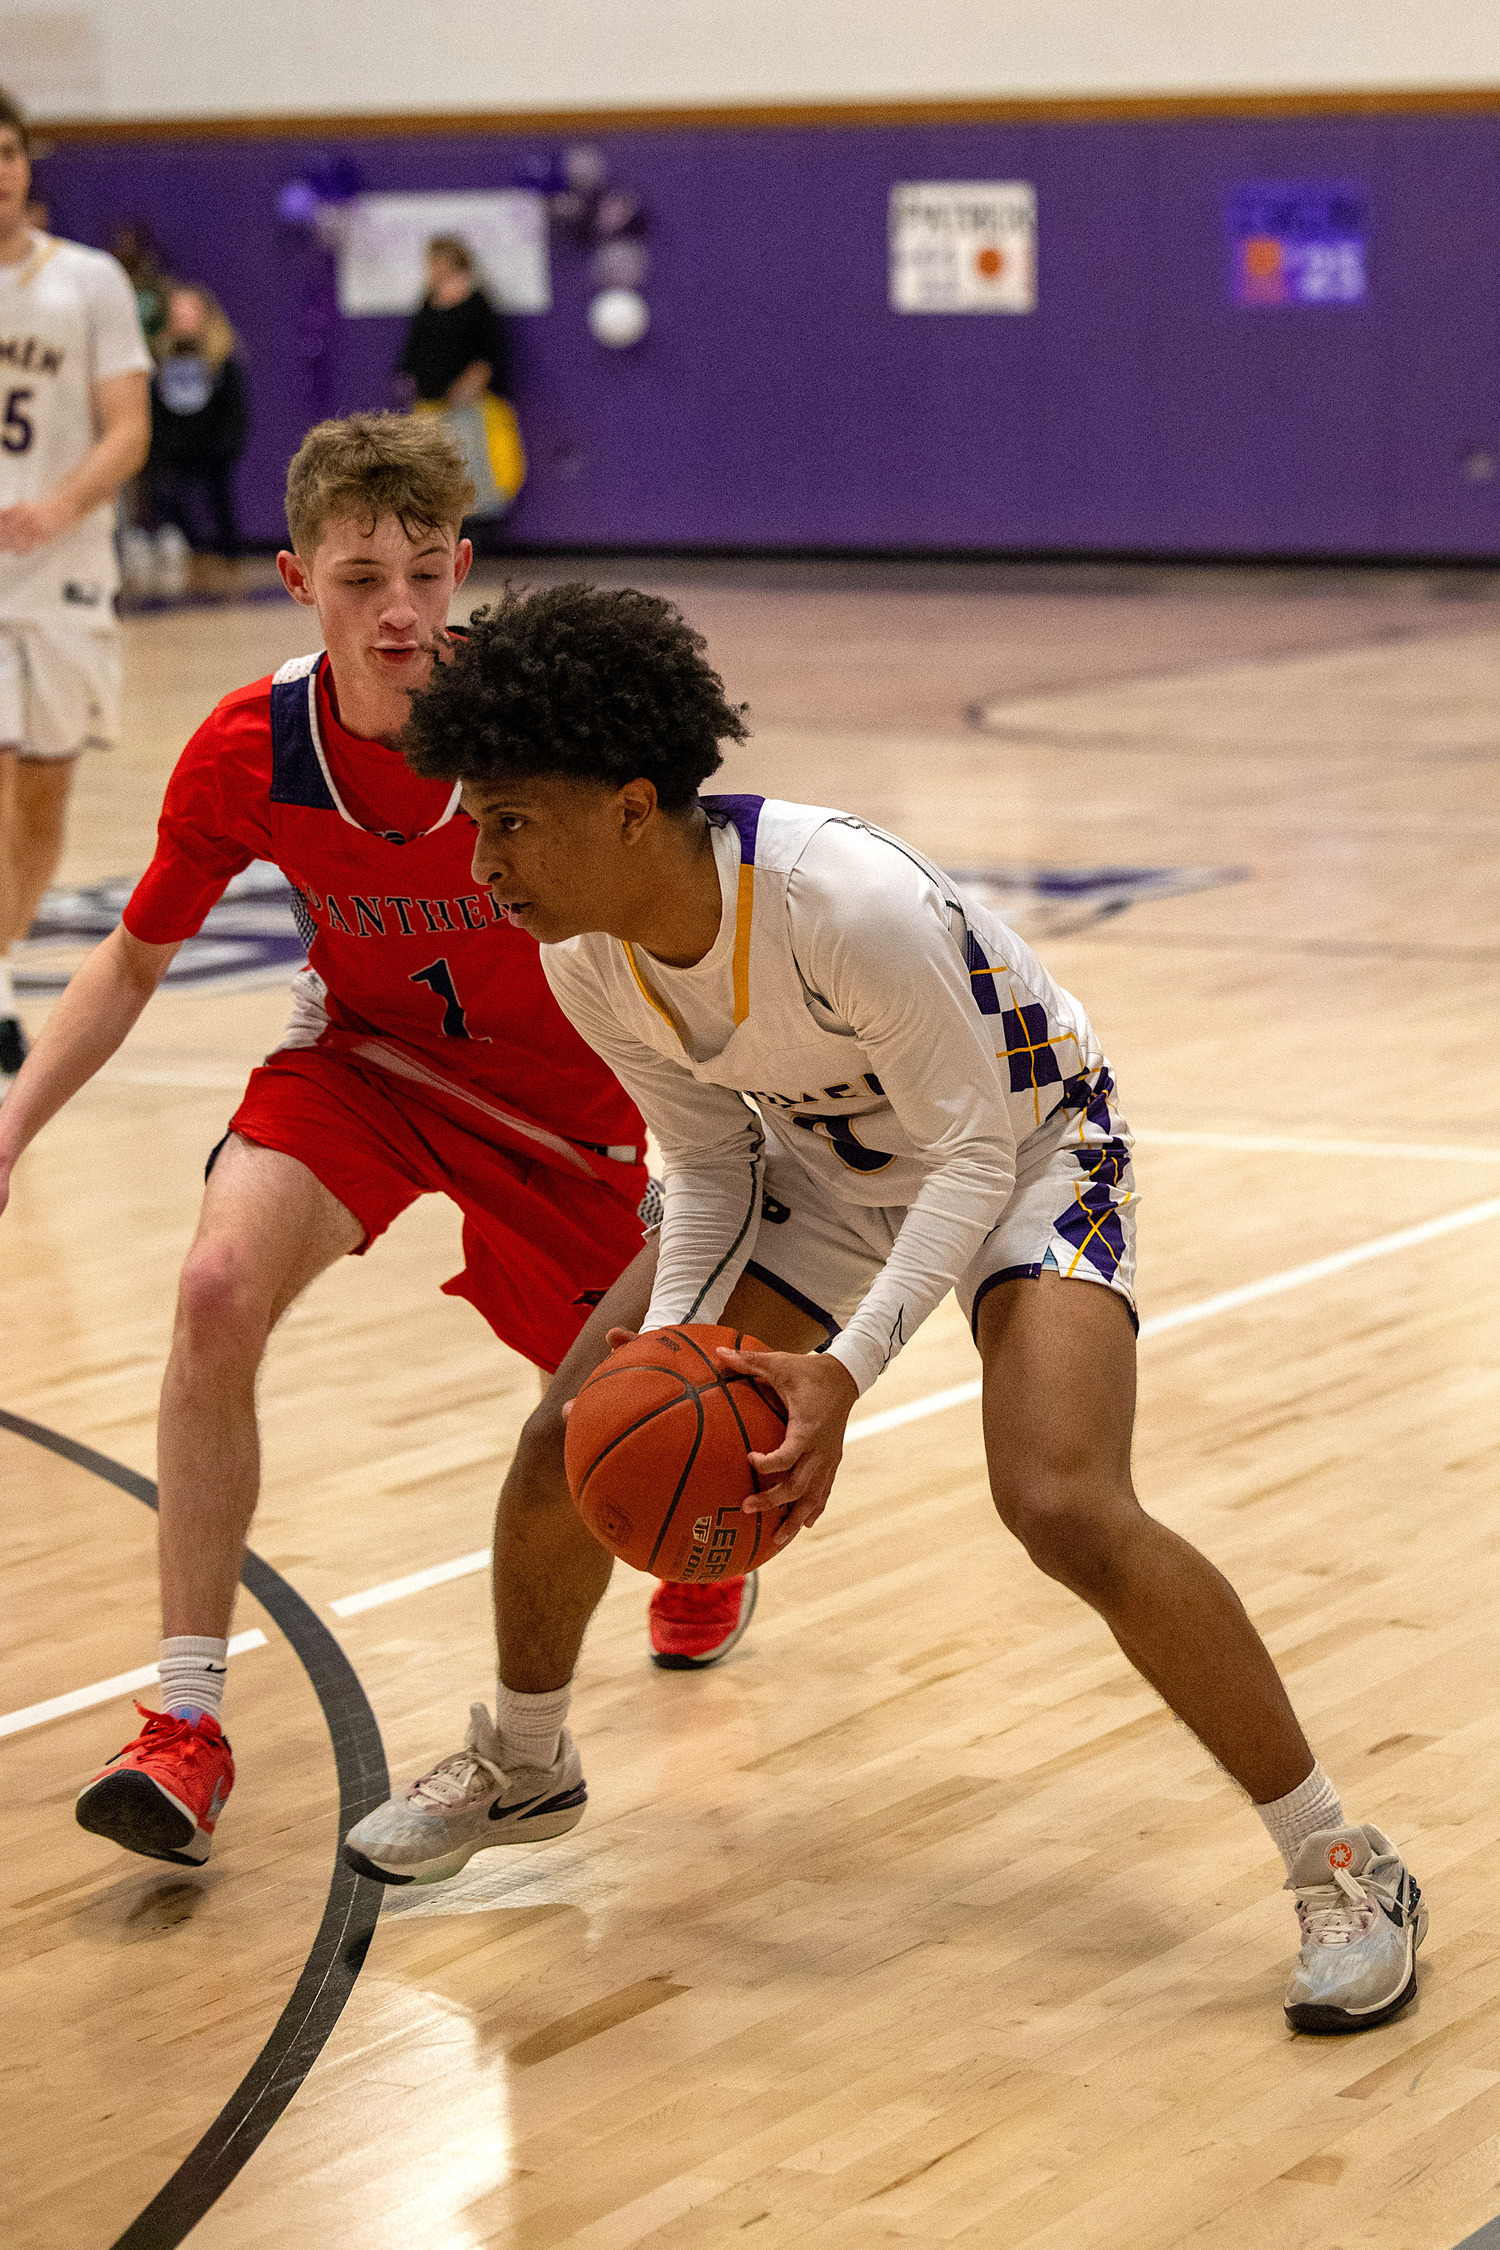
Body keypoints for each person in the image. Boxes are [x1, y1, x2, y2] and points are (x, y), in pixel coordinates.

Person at [342, 582, 1427, 2039]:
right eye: (476, 822)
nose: (484, 861)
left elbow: (976, 1153)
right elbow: (711, 1160)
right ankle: (524, 1758)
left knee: (1062, 1502)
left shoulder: (839, 902)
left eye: (513, 820)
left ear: (630, 806)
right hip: (814, 1159)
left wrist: (844, 1371)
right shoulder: (585, 956)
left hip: (1031, 1147)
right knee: (571, 1427)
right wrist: (674, 1342)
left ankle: (1344, 1861)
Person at [0, 414, 666, 1874]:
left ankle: (687, 1555)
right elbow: (127, 959)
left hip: (569, 1115)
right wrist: (11, 1125)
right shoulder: (253, 747)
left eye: (428, 572)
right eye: (365, 578)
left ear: (464, 566)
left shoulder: (540, 724)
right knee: (212, 1291)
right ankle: (183, 1722)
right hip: (360, 1066)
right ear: (299, 580)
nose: (403, 612)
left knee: (649, 1436)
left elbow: (673, 921)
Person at [0, 89, 152, 1076]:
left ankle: (2, 958)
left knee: (41, 799)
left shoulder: (86, 282)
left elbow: (130, 427)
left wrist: (58, 505)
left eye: (8, 152)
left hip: (62, 572)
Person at [395, 235, 524, 519]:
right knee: (430, 465)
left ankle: (481, 521)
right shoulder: (428, 300)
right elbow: (415, 343)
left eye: (436, 263)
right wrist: (407, 375)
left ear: (452, 263)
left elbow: (488, 351)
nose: (430, 269)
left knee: (471, 461)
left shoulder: (477, 302)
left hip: (466, 402)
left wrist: (473, 381)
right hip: (431, 398)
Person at [139, 283, 249, 595]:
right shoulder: (158, 359)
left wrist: (226, 446)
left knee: (218, 505)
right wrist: (158, 448)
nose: (182, 317)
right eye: (176, 312)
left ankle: (229, 569)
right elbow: (153, 411)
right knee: (169, 503)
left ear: (204, 315)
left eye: (188, 310)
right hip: (173, 450)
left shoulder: (222, 359)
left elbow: (235, 410)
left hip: (213, 450)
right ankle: (190, 561)